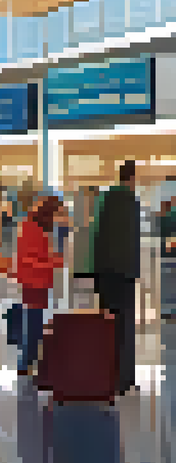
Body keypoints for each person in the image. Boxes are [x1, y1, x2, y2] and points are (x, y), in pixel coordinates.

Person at [77, 160, 142, 395]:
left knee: (107, 324)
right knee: (125, 326)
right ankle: (124, 379)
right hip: (124, 274)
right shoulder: (132, 202)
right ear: (133, 178)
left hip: (104, 274)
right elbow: (133, 242)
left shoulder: (104, 200)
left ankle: (107, 376)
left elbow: (96, 236)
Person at [13, 195, 64, 376]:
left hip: (39, 281)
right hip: (33, 281)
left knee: (35, 321)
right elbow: (27, 258)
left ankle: (30, 361)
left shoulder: (37, 227)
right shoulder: (30, 227)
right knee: (33, 323)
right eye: (58, 213)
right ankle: (25, 362)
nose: (59, 218)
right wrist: (52, 262)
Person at [160, 195, 176, 321]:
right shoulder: (165, 218)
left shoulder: (164, 219)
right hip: (167, 256)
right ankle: (167, 309)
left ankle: (166, 309)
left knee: (167, 282)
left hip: (166, 257)